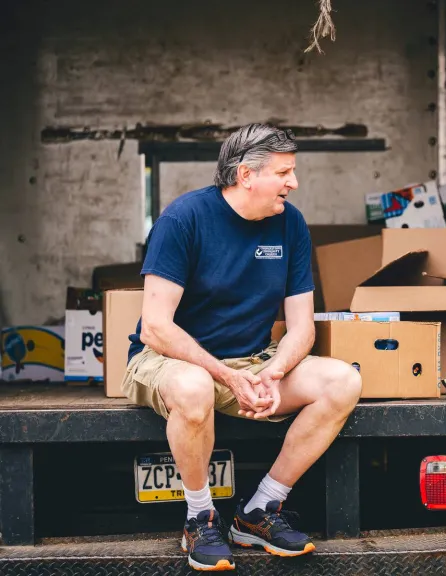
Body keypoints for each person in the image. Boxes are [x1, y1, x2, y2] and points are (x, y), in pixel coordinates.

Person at [121, 123, 362, 571]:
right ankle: (200, 518)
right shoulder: (183, 219)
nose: (294, 182)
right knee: (195, 387)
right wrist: (227, 375)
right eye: (283, 172)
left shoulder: (290, 223)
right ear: (245, 175)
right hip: (169, 361)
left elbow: (302, 328)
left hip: (251, 363)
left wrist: (274, 371)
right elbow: (155, 328)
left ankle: (259, 510)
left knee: (342, 381)